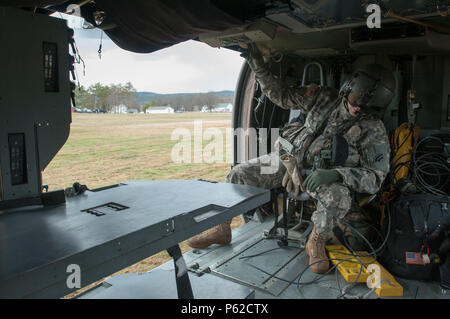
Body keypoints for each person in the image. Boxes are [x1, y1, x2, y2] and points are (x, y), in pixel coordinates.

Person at [187, 44, 395, 274]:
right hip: (289, 161)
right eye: (355, 99)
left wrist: (337, 174)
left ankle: (316, 241)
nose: (357, 108)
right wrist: (259, 66)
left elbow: (375, 178)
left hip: (323, 177)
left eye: (366, 107)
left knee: (337, 196)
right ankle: (221, 227)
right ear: (348, 88)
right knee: (239, 173)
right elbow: (282, 95)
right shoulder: (323, 97)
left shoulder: (374, 130)